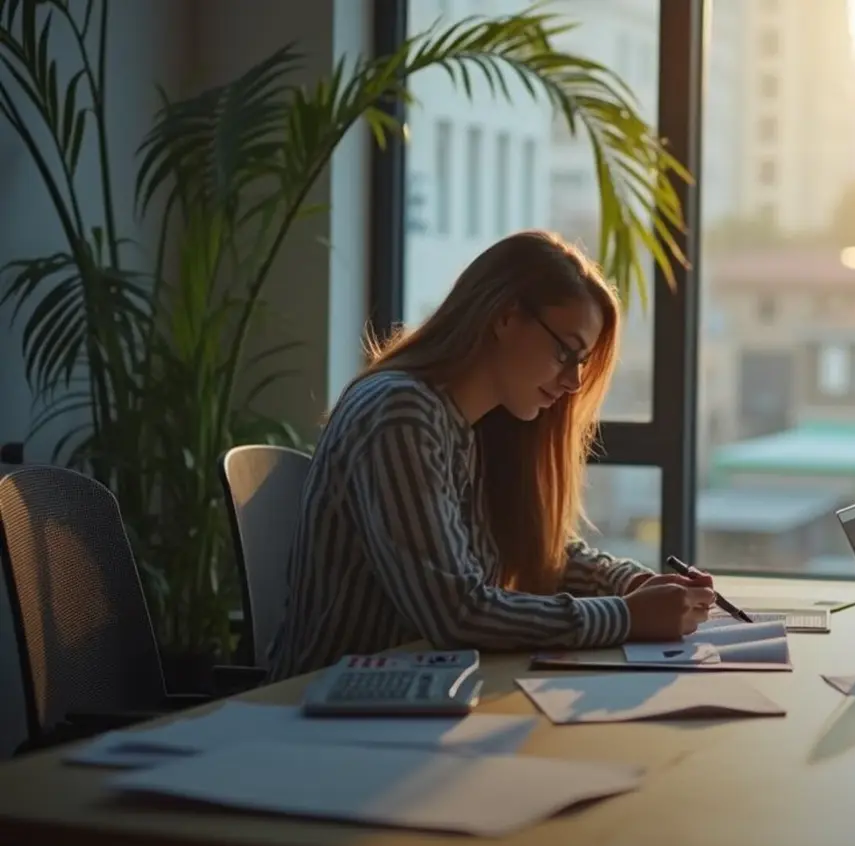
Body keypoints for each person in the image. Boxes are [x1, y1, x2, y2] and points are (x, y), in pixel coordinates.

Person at [268, 231, 715, 681]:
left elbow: (544, 552)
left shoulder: (477, 422)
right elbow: (457, 613)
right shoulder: (400, 413)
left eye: (581, 362)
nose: (574, 383)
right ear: (505, 317)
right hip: (329, 705)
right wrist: (627, 616)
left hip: (420, 692)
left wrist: (631, 583)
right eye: (565, 352)